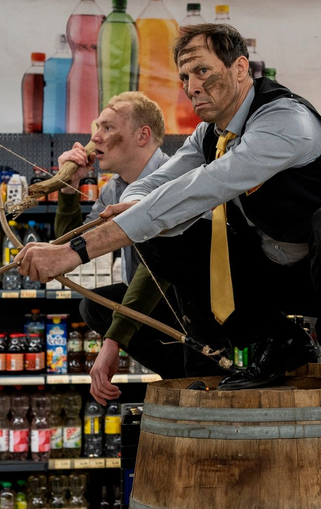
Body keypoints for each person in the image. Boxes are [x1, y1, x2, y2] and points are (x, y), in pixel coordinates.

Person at [17, 23, 321, 400]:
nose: (192, 86)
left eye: (202, 71)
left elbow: (204, 186)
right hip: (287, 278)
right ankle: (280, 341)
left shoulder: (284, 120)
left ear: (239, 68)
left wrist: (74, 252)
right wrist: (133, 206)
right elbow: (155, 185)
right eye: (185, 77)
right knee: (164, 238)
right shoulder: (209, 136)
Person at [54, 91, 216, 383]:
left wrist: (114, 340)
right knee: (94, 306)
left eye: (107, 128)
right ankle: (176, 378)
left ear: (143, 135)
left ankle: (205, 373)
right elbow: (69, 249)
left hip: (196, 305)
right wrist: (69, 188)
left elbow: (166, 260)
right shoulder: (114, 190)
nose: (95, 138)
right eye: (96, 128)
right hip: (151, 304)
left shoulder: (179, 180)